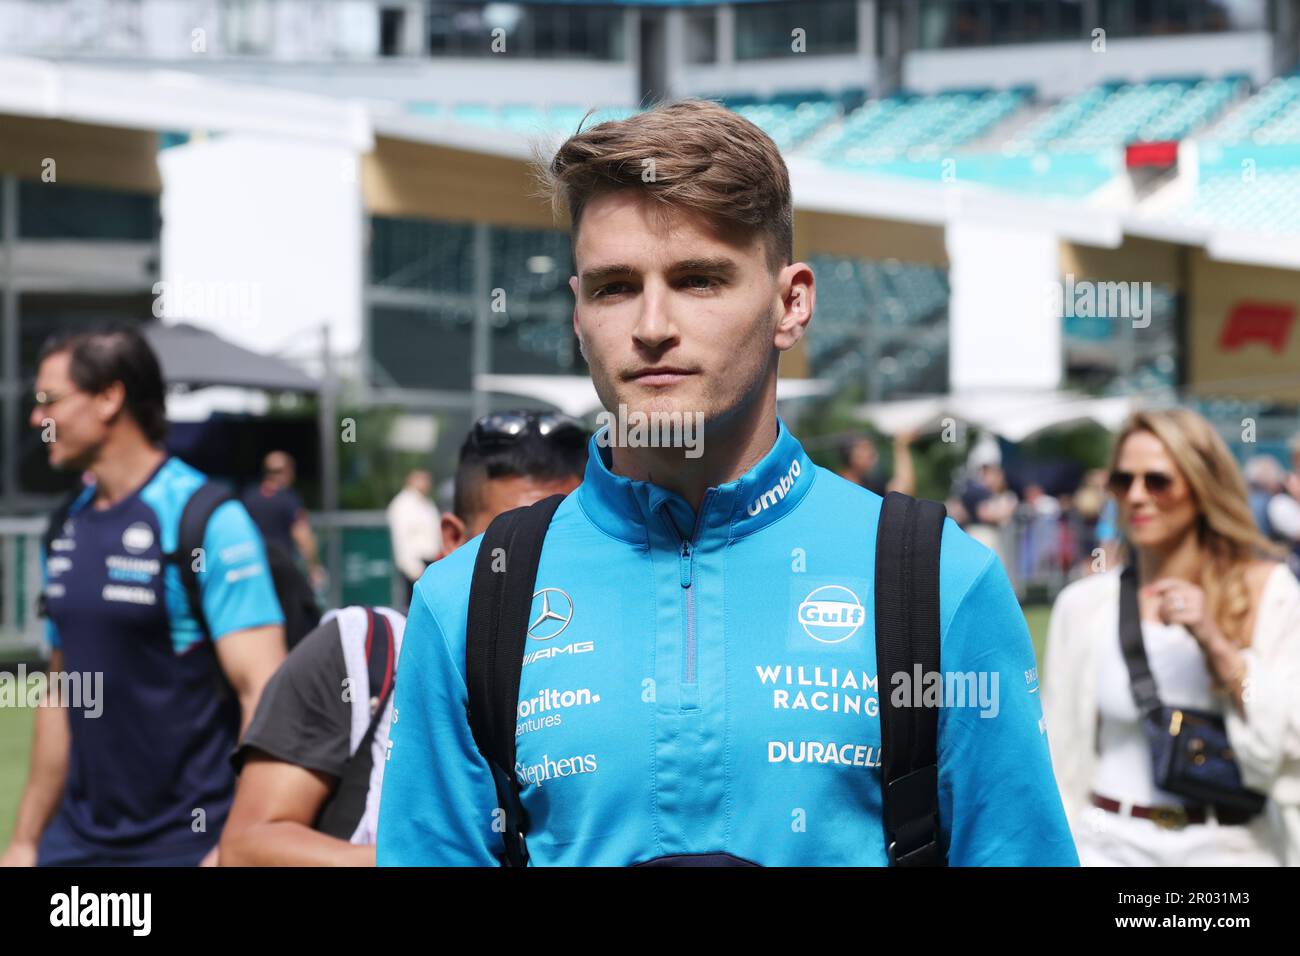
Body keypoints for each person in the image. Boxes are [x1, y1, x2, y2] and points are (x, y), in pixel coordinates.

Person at [376, 99, 1077, 866]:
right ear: (577, 314)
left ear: (790, 303)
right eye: (614, 287)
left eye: (698, 280)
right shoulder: (466, 602)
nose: (651, 325)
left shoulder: (940, 581)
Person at [218, 412, 586, 865]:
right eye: (514, 547)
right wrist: (426, 857)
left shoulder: (612, 668)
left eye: (567, 547)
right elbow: (246, 849)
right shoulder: (357, 652)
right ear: (454, 540)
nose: (541, 573)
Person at [1, 328, 286, 867]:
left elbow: (264, 692)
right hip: (75, 847)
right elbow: (61, 692)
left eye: (49, 400)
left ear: (109, 398)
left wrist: (233, 843)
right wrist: (24, 841)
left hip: (187, 846)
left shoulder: (205, 519)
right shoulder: (64, 526)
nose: (37, 419)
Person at [1042, 409, 1300, 866]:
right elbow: (1058, 754)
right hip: (1108, 847)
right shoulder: (1083, 605)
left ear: (1201, 487)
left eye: (1158, 481)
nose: (1137, 496)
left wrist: (1217, 644)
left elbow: (1287, 741)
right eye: (1123, 481)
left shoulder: (1268, 592)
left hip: (1231, 851)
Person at [242, 451, 325, 590]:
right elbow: (302, 535)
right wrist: (314, 567)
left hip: (254, 568)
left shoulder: (249, 497)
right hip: (281, 570)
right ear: (287, 471)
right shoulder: (289, 500)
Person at [386, 468, 442, 608]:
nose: (427, 482)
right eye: (422, 478)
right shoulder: (402, 504)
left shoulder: (426, 502)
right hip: (416, 567)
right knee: (414, 608)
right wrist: (413, 568)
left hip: (430, 564)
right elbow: (401, 540)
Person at [837, 431, 916, 497]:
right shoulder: (838, 488)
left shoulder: (871, 485)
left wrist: (901, 446)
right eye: (864, 448)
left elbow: (902, 492)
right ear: (849, 455)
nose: (872, 453)